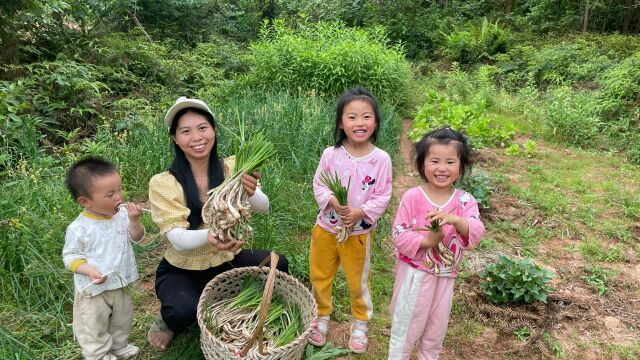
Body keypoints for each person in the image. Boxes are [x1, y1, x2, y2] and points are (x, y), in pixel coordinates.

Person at [147, 96, 289, 350]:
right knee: (182, 312)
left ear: (213, 129)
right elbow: (177, 240)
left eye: (203, 127)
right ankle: (168, 320)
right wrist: (210, 235)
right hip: (183, 267)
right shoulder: (164, 182)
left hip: (226, 257)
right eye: (186, 131)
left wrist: (251, 190)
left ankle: (219, 300)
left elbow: (264, 208)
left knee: (280, 264)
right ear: (175, 139)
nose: (197, 137)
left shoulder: (232, 166)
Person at [387, 126, 485, 359]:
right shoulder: (413, 197)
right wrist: (428, 241)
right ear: (422, 165)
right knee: (407, 326)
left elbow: (476, 230)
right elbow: (399, 234)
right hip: (416, 275)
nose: (442, 168)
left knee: (435, 331)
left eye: (450, 162)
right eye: (435, 161)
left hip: (445, 277)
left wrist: (456, 220)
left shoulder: (465, 200)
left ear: (461, 167)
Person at [307, 87, 393, 353]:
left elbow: (383, 194)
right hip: (326, 227)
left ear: (376, 122)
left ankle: (361, 322)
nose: (359, 123)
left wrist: (360, 212)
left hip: (358, 233)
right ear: (341, 123)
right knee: (320, 274)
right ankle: (320, 317)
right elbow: (319, 184)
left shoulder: (380, 159)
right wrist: (333, 201)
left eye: (366, 117)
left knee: (358, 280)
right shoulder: (330, 154)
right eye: (352, 117)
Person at [62, 157, 145, 360]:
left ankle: (119, 345)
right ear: (85, 201)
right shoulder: (79, 228)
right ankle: (98, 354)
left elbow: (137, 237)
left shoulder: (122, 215)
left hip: (120, 280)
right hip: (94, 289)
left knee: (122, 317)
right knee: (94, 323)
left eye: (119, 189)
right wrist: (89, 271)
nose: (119, 197)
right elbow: (70, 257)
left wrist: (135, 221)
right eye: (110, 194)